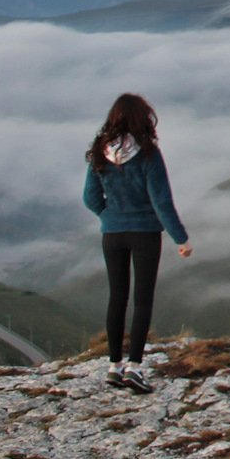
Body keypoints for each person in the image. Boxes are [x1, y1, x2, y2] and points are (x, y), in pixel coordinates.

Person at [83, 93, 191, 393]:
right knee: (143, 299)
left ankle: (114, 366)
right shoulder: (147, 153)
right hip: (145, 233)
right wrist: (180, 238)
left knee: (117, 298)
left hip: (112, 233)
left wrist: (110, 216)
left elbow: (90, 198)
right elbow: (161, 201)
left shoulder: (99, 152)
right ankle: (135, 367)